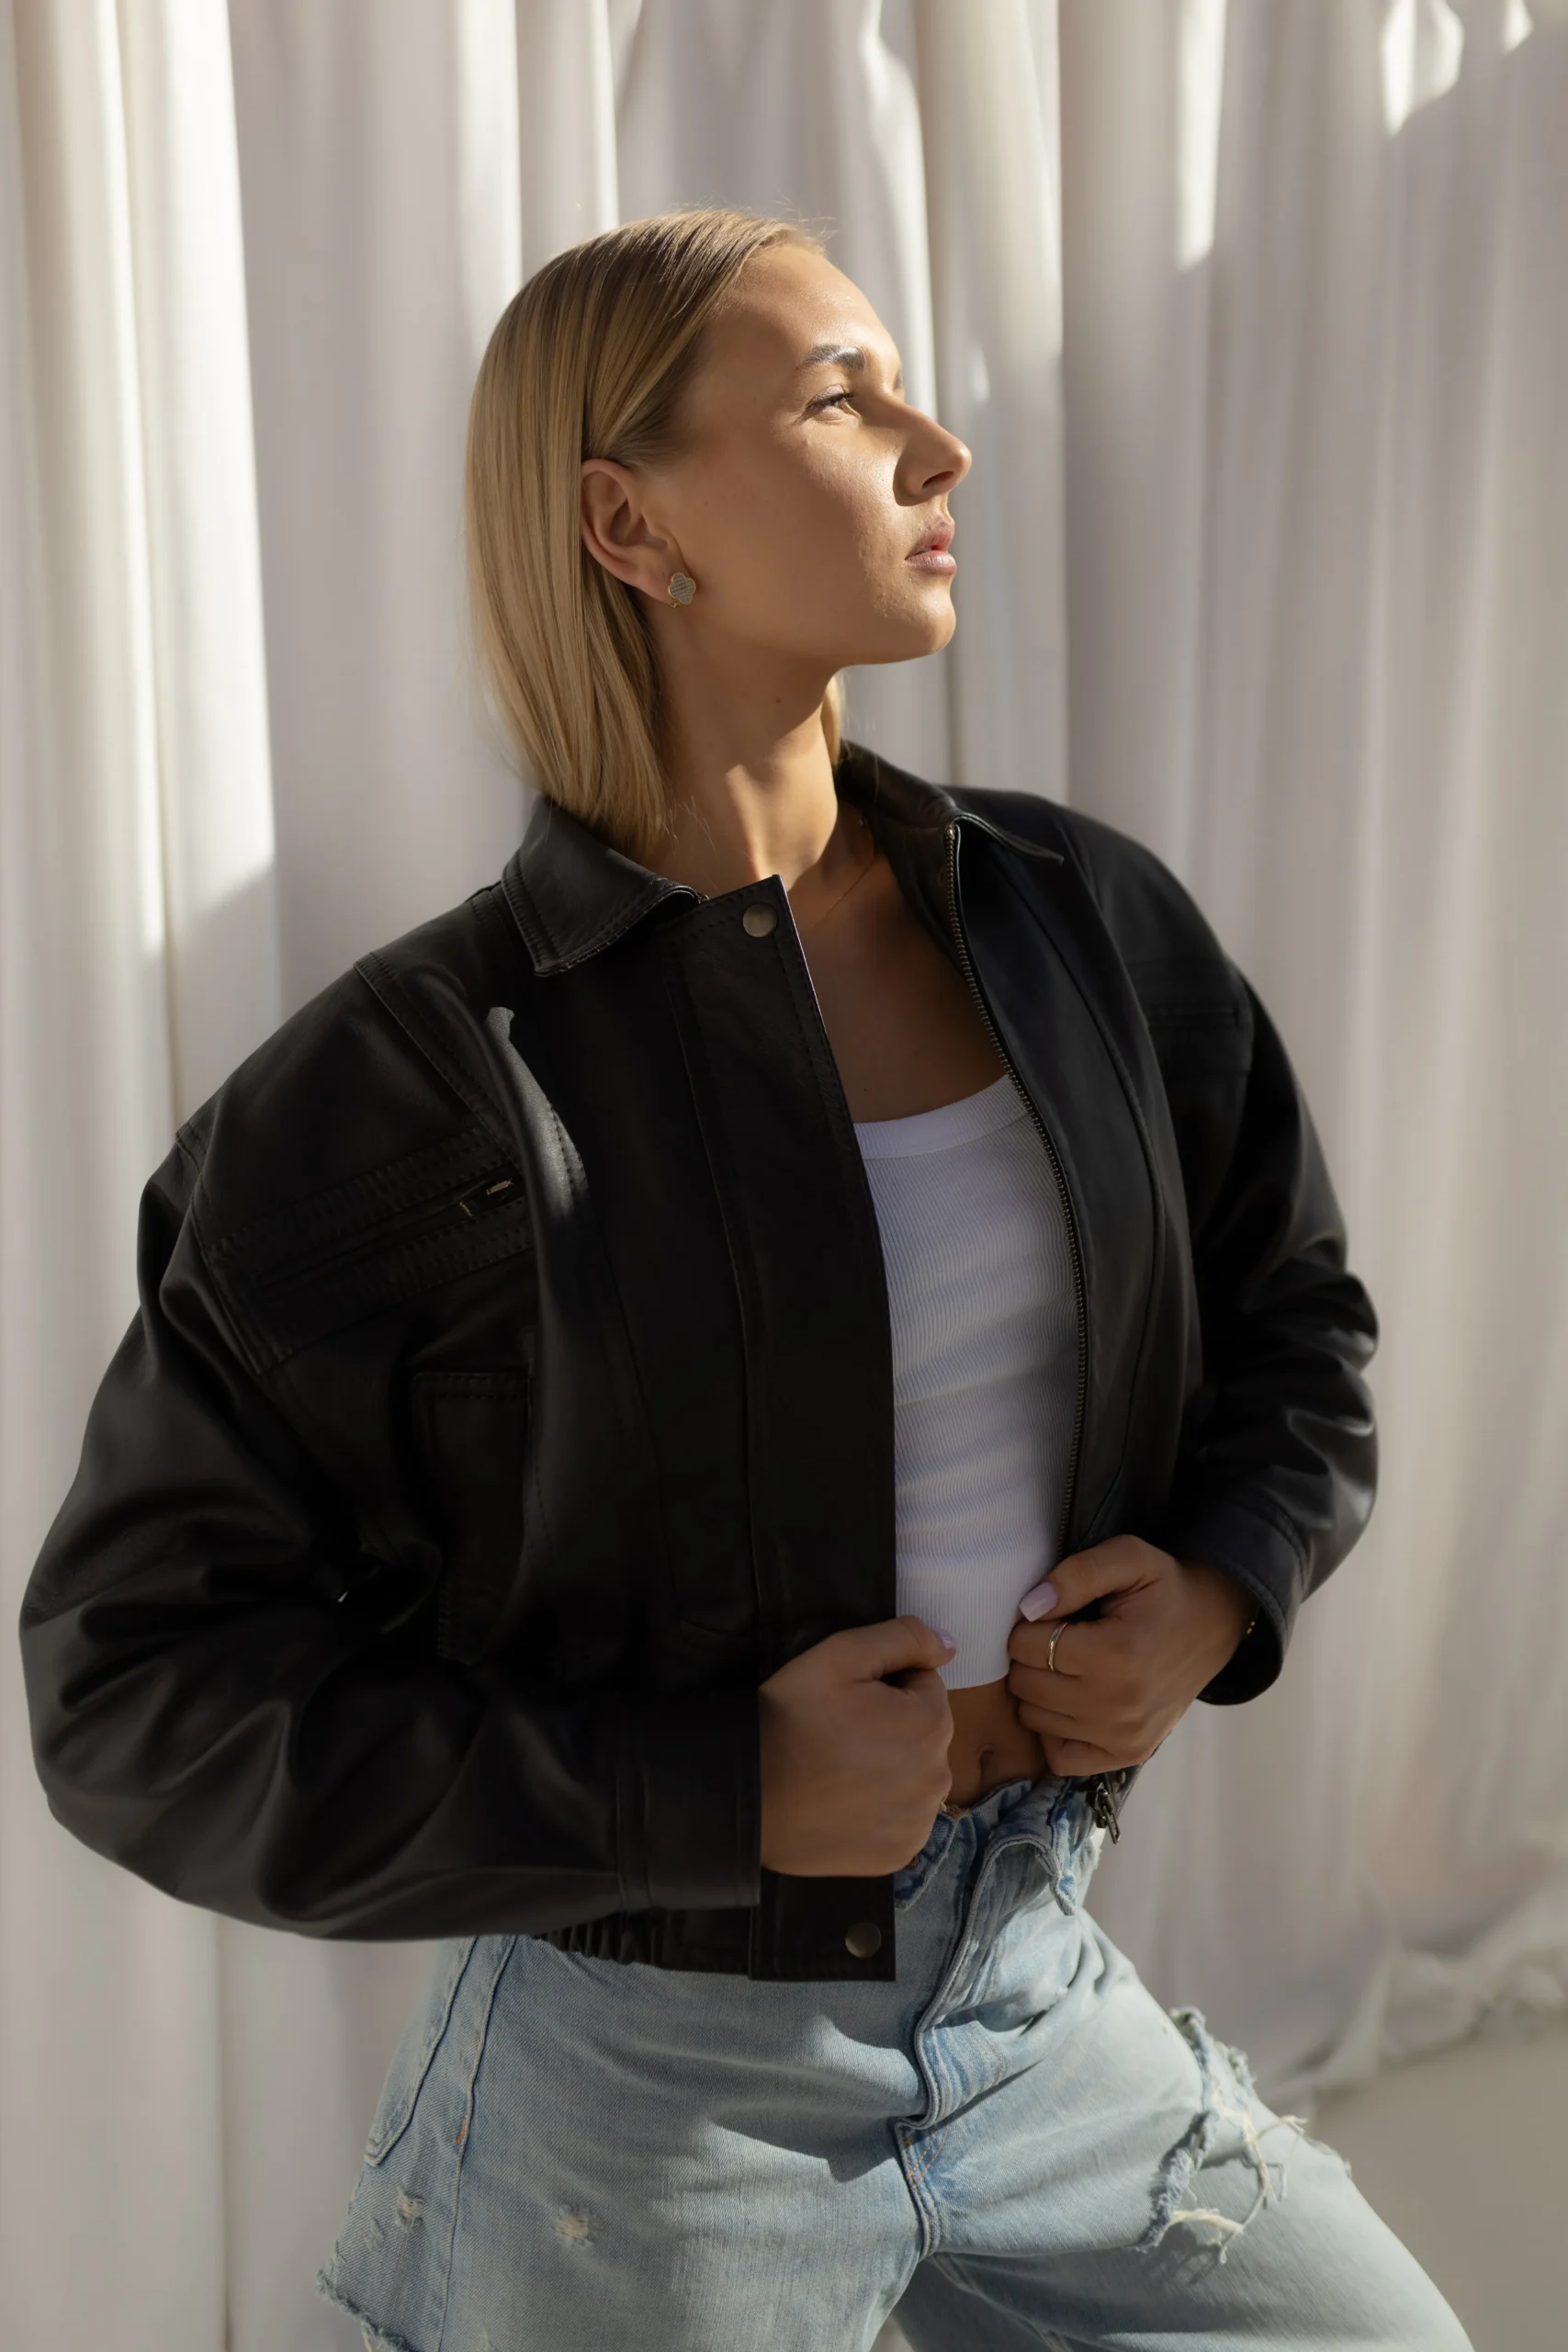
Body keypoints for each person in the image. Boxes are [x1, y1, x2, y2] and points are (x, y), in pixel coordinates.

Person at [18, 207, 1469, 2351]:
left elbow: (1293, 1315)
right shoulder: (395, 1088)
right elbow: (135, 1690)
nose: (937, 444)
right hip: (645, 2102)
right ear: (629, 522)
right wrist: (713, 1788)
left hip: (1038, 1989)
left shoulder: (1076, 920)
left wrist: (1215, 1584)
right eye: (837, 398)